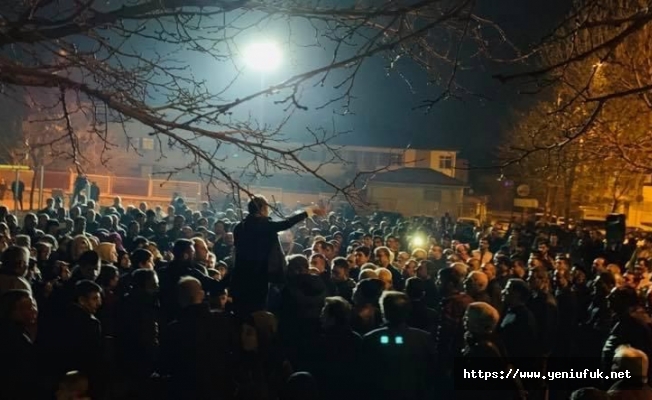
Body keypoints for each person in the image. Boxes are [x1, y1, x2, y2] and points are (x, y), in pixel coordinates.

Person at [230, 195, 325, 316]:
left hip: (240, 275)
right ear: (262, 209)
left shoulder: (239, 227)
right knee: (257, 312)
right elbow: (287, 223)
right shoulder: (265, 225)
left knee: (240, 311)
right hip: (259, 275)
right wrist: (309, 211)